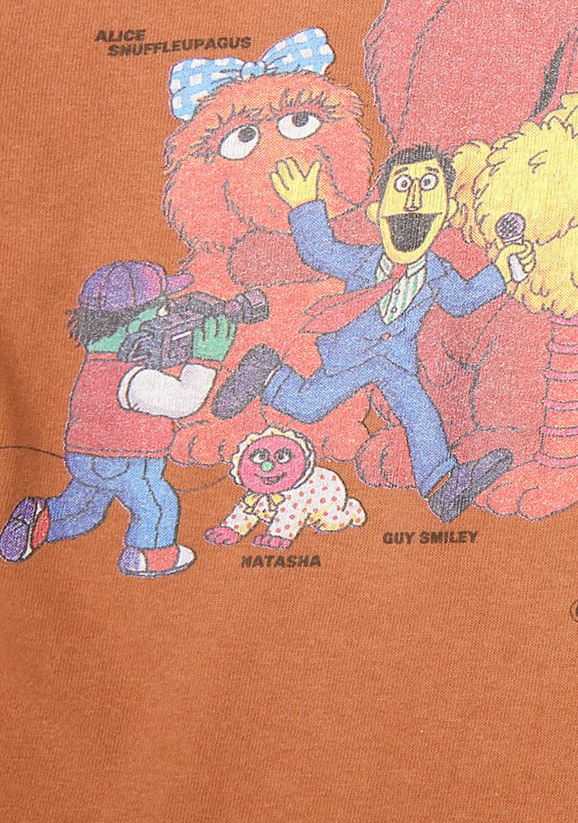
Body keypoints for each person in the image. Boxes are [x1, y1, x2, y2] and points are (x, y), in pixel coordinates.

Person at [209, 146, 531, 523]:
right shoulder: (362, 260)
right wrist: (306, 205)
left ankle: (443, 485)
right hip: (351, 354)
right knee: (308, 406)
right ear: (376, 211)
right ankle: (268, 374)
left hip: (395, 362)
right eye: (403, 187)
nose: (414, 201)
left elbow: (461, 301)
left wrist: (503, 270)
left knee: (420, 414)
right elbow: (319, 251)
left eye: (428, 186)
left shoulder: (439, 272)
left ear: (447, 213)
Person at [1, 260, 234, 576]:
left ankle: (42, 521)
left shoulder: (96, 364)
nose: (171, 317)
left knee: (85, 509)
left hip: (82, 457)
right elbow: (184, 402)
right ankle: (149, 555)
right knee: (157, 504)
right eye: (163, 310)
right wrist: (206, 359)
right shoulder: (134, 377)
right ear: (135, 323)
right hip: (127, 462)